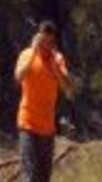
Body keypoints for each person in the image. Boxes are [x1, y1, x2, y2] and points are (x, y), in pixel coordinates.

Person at [14, 21, 74, 182]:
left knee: (43, 178)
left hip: (47, 128)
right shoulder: (26, 55)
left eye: (50, 42)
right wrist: (34, 52)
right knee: (29, 177)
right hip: (28, 124)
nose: (46, 46)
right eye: (43, 41)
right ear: (38, 38)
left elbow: (69, 91)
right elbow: (19, 77)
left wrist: (56, 69)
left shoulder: (58, 59)